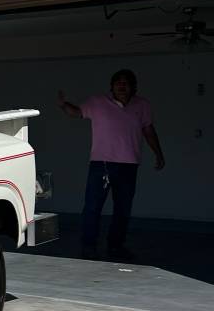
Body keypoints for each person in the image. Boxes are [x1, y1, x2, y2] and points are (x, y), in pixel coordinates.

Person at [58, 69, 164, 261]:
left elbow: (149, 130)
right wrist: (63, 105)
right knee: (92, 207)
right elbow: (77, 112)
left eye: (126, 83)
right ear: (112, 86)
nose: (122, 86)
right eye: (118, 83)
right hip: (102, 165)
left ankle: (116, 246)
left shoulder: (142, 105)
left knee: (123, 210)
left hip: (129, 165)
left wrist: (159, 154)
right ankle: (88, 247)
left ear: (134, 87)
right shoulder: (98, 102)